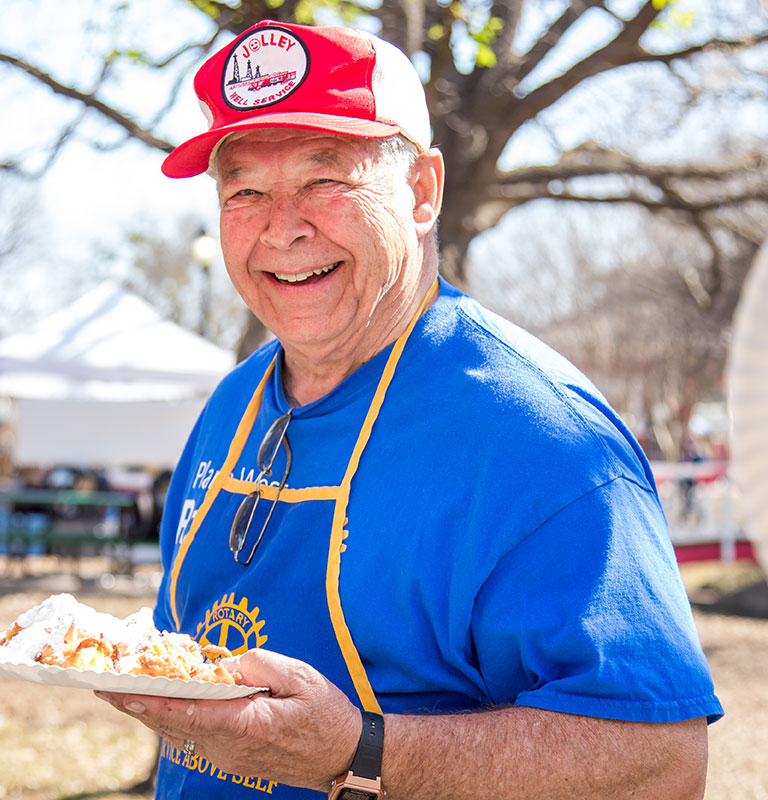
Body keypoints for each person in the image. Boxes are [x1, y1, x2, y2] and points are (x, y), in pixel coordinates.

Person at [96, 20, 722, 799]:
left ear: (423, 191)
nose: (282, 227)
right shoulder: (233, 404)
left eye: (325, 179)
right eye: (245, 191)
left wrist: (359, 753)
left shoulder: (539, 439)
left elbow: (661, 765)